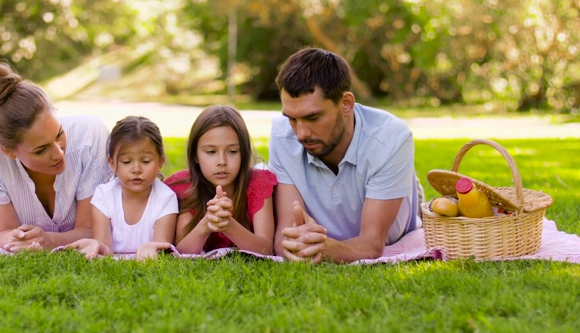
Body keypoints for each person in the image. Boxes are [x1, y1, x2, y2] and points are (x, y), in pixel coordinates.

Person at [269, 47, 422, 264]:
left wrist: (321, 248)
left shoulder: (391, 138)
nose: (300, 133)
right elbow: (284, 235)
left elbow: (372, 244)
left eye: (313, 117)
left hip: (390, 233)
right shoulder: (282, 135)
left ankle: (415, 194)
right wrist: (297, 246)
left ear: (346, 104)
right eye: (292, 119)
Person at [0, 62, 112, 252]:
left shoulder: (89, 136)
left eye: (59, 134)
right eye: (41, 150)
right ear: (8, 151)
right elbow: (4, 231)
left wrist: (49, 240)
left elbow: (91, 231)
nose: (59, 154)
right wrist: (18, 238)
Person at [164, 105, 276, 255]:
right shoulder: (185, 187)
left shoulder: (258, 184)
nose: (222, 161)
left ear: (243, 153)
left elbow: (266, 250)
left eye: (232, 151)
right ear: (195, 155)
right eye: (211, 152)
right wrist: (207, 223)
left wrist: (228, 225)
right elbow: (182, 252)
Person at [66, 116, 178, 260]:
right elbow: (105, 251)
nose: (136, 169)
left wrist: (150, 249)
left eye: (145, 161)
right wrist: (97, 247)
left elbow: (160, 249)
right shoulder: (103, 196)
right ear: (112, 163)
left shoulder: (166, 198)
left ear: (160, 162)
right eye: (126, 161)